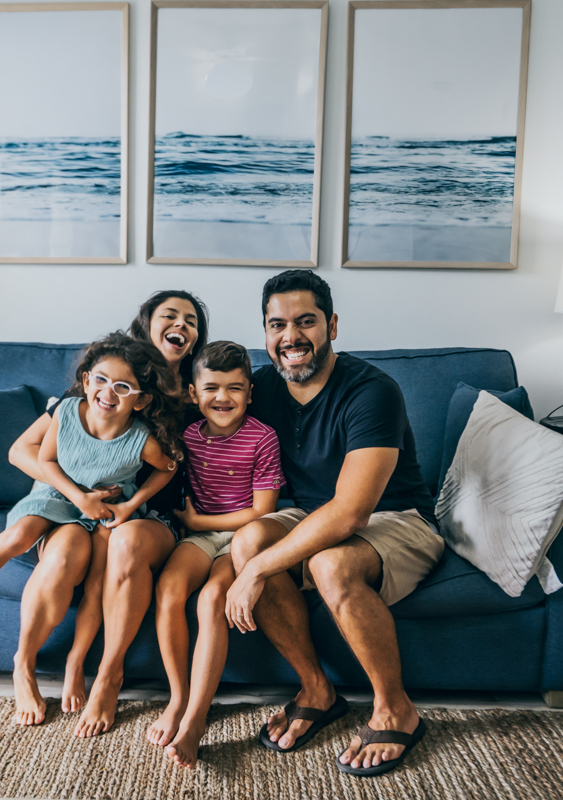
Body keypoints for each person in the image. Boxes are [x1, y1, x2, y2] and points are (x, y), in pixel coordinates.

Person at [0, 332, 184, 726]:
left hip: (103, 510)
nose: (108, 392)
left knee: (98, 577)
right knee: (17, 536)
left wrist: (131, 503)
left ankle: (77, 662)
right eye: (100, 380)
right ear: (85, 380)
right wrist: (78, 496)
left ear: (141, 398)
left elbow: (169, 466)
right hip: (58, 493)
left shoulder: (139, 437)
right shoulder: (68, 412)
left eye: (123, 387)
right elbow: (45, 461)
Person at [225, 270, 444, 777]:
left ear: (332, 326)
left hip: (397, 516)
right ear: (265, 333)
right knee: (249, 538)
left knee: (329, 564)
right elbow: (195, 409)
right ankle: (318, 690)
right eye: (277, 325)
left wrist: (255, 573)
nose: (291, 337)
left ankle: (396, 709)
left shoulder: (372, 391)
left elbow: (351, 512)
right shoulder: (259, 388)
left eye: (306, 321)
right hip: (308, 510)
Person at [6, 291, 208, 717]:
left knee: (127, 540)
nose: (182, 325)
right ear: (147, 324)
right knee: (68, 554)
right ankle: (25, 667)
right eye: (170, 315)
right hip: (85, 510)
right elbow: (22, 451)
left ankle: (109, 675)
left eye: (191, 321)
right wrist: (79, 491)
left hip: (153, 517)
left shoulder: (199, 391)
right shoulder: (101, 386)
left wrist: (134, 503)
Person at [146, 342, 285, 768]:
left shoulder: (263, 437)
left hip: (240, 536)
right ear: (193, 393)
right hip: (201, 537)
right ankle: (178, 699)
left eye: (234, 388)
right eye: (211, 388)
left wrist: (196, 522)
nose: (222, 398)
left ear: (250, 394)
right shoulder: (188, 436)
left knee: (210, 600)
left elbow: (264, 511)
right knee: (169, 589)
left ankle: (197, 719)